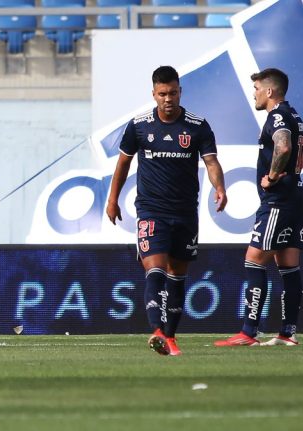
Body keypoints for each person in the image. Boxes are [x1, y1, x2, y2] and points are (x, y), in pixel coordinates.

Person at [106, 66, 227, 356]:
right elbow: (123, 164)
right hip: (151, 209)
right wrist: (113, 199)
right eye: (162, 94)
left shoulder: (197, 126)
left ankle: (170, 337)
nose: (168, 99)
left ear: (180, 91)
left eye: (172, 92)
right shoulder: (139, 125)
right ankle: (157, 330)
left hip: (185, 211)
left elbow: (211, 162)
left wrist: (220, 188)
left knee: (178, 274)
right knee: (155, 267)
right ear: (153, 94)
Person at [215, 68, 303, 347]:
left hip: (279, 201)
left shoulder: (278, 116)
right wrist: (291, 175)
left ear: (269, 91)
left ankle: (248, 332)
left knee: (254, 260)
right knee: (288, 265)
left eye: (257, 88)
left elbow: (282, 149)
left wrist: (272, 177)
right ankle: (287, 333)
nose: (254, 93)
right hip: (295, 196)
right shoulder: (294, 115)